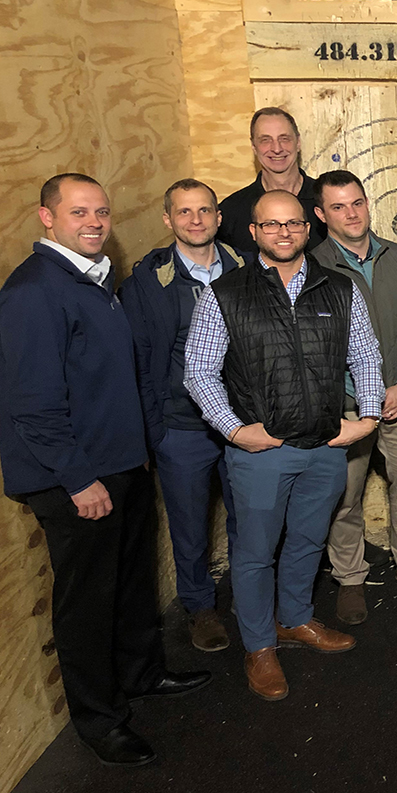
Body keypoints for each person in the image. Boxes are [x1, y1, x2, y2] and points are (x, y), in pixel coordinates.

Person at [0, 173, 210, 767]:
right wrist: (78, 478)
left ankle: (142, 674)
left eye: (102, 212)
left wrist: (137, 450)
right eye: (78, 212)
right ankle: (101, 721)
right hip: (77, 478)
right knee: (87, 601)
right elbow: (33, 408)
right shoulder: (35, 291)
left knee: (132, 578)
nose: (93, 222)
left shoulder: (95, 280)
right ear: (47, 217)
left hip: (121, 464)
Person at [184, 190, 384, 702]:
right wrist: (232, 429)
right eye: (271, 225)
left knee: (307, 541)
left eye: (293, 224)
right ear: (253, 232)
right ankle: (258, 646)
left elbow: (365, 353)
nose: (284, 233)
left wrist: (365, 417)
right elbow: (200, 372)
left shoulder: (341, 288)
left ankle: (294, 620)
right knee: (253, 554)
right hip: (261, 451)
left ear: (307, 229)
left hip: (325, 446)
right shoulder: (225, 294)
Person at [309, 169, 397, 625]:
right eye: (338, 206)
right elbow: (314, 344)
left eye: (357, 202)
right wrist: (364, 394)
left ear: (368, 203)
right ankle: (350, 578)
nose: (351, 213)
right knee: (345, 495)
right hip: (344, 402)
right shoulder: (313, 265)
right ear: (320, 214)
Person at [120, 178, 246, 653]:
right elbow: (139, 362)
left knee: (248, 518)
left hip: (242, 423)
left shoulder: (246, 267)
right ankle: (199, 607)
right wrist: (156, 434)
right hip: (182, 427)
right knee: (189, 526)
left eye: (205, 211)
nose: (196, 220)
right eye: (185, 212)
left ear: (218, 217)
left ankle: (248, 598)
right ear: (168, 220)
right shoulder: (148, 283)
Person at [217, 107, 325, 255]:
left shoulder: (326, 201)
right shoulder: (231, 211)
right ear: (254, 147)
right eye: (265, 140)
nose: (276, 148)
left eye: (284, 139)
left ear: (298, 143)